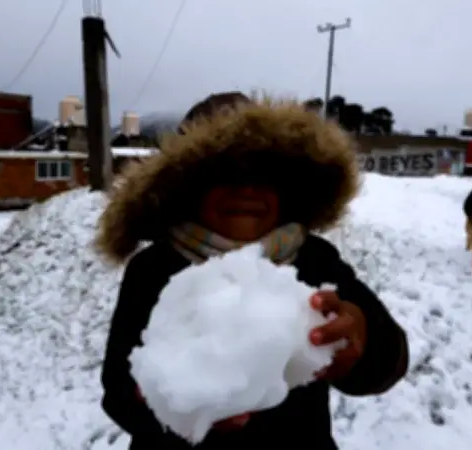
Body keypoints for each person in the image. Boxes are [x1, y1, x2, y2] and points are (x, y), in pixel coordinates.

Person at [95, 93, 409, 450]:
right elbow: (117, 389)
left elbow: (390, 361)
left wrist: (363, 339)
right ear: (187, 185)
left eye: (264, 175)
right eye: (222, 173)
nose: (245, 188)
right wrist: (162, 406)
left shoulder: (314, 260)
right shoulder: (153, 268)